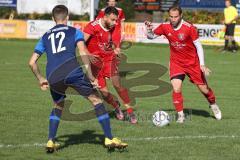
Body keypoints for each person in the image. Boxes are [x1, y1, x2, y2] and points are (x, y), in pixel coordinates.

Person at [28, 5, 127, 152]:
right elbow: (82, 53)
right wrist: (91, 76)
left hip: (52, 75)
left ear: (52, 19)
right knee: (97, 100)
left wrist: (41, 78)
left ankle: (50, 140)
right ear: (67, 18)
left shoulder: (45, 36)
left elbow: (31, 62)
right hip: (72, 72)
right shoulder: (75, 31)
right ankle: (109, 138)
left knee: (58, 105)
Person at [145, 5, 222, 123]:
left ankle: (213, 104)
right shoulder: (165, 26)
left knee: (204, 89)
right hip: (176, 62)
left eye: (175, 17)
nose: (173, 19)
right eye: (171, 16)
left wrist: (202, 64)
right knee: (176, 88)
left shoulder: (189, 28)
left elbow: (198, 46)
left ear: (181, 16)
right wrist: (149, 29)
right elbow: (151, 37)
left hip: (192, 63)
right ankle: (181, 116)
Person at [84, 6, 137, 124]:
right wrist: (88, 55)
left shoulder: (113, 27)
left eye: (116, 20)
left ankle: (130, 111)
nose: (115, 23)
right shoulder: (92, 27)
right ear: (105, 17)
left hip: (109, 58)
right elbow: (81, 44)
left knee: (117, 83)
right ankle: (117, 107)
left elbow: (110, 42)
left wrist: (116, 49)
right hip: (95, 63)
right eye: (112, 20)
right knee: (104, 93)